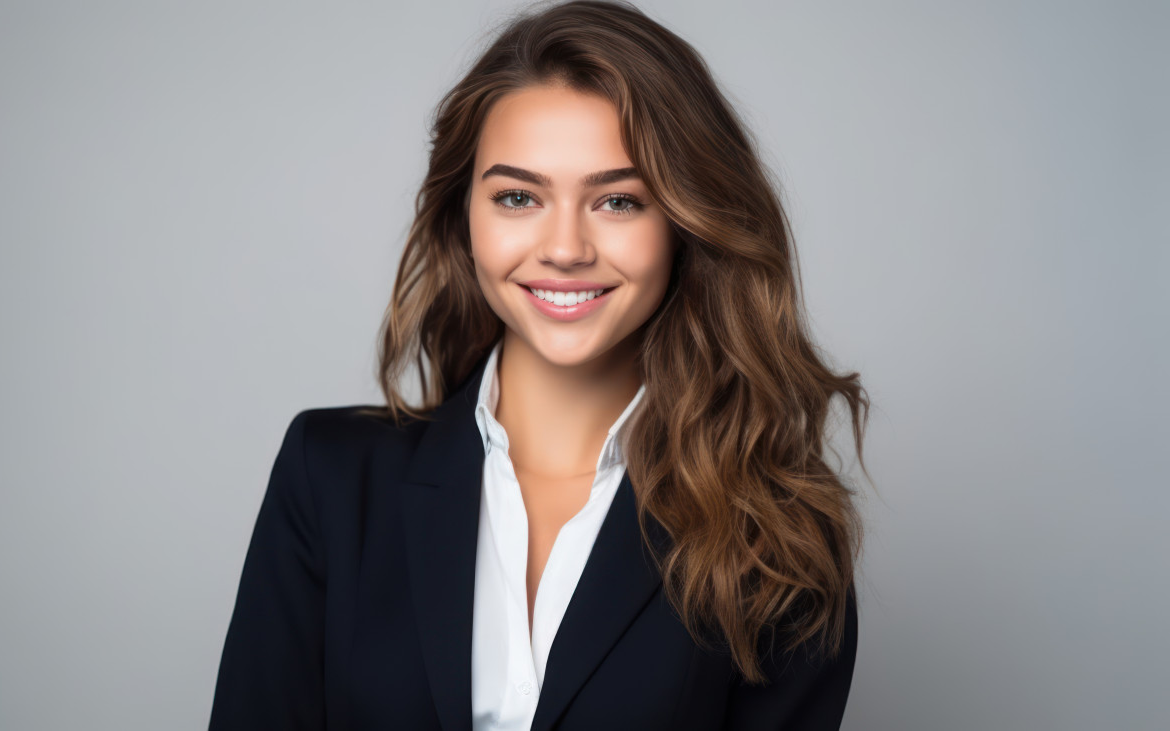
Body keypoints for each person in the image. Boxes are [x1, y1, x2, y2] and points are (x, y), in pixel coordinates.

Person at [208, 1, 871, 729]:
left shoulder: (776, 539)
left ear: (686, 223)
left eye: (618, 200)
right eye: (518, 196)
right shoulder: (330, 480)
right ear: (465, 216)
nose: (564, 247)